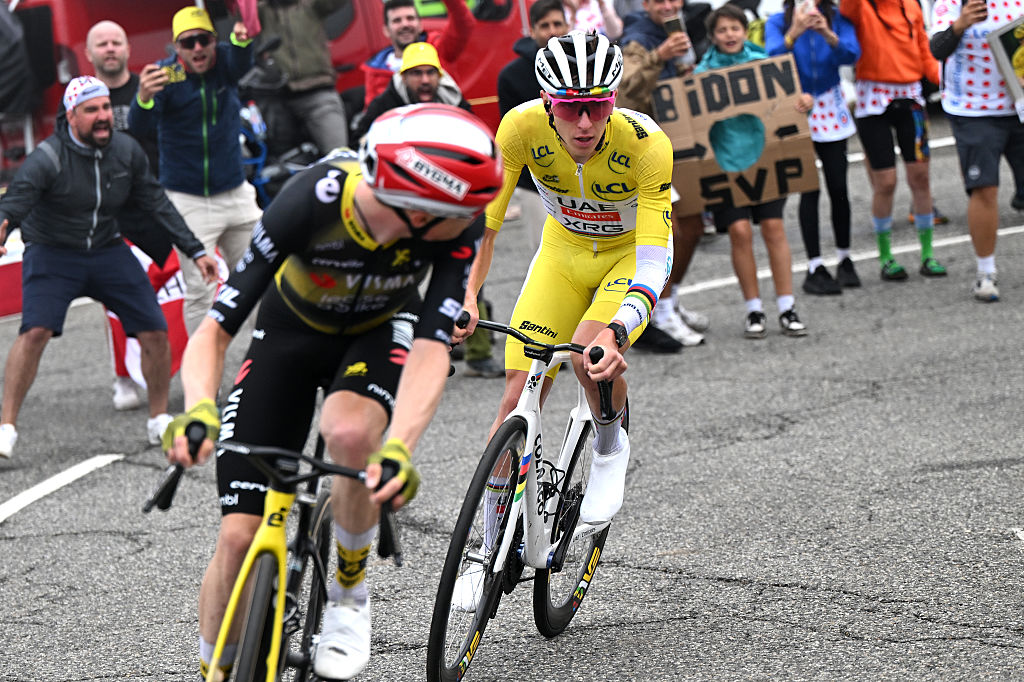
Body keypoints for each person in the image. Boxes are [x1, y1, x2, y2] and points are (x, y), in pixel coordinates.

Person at [160, 103, 502, 681]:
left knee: (349, 433)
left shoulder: (453, 226)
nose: (476, 219)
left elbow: (430, 347)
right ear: (414, 208)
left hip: (376, 332)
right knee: (239, 536)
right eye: (463, 210)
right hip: (289, 335)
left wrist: (399, 447)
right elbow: (216, 329)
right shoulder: (311, 199)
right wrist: (198, 406)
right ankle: (215, 669)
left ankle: (349, 593)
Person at [454, 32, 673, 542]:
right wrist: (463, 296)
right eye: (571, 108)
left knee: (584, 354)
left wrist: (618, 331)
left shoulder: (646, 144)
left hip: (626, 258)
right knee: (513, 401)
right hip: (562, 252)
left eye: (598, 107)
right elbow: (483, 228)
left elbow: (654, 257)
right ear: (547, 103)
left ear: (613, 101)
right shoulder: (520, 127)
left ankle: (609, 446)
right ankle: (488, 547)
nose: (584, 122)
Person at [0, 77, 217, 459]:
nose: (103, 117)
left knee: (154, 329)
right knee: (34, 331)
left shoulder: (126, 150)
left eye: (105, 108)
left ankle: (158, 418)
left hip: (106, 248)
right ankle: (6, 428)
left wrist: (195, 250)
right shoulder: (48, 157)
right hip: (53, 252)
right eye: (91, 110)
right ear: (71, 116)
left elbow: (157, 202)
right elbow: (15, 202)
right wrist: (3, 224)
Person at [353, 42, 504, 379]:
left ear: (439, 76)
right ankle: (404, 351)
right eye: (416, 74)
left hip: (450, 202)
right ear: (403, 77)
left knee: (469, 278)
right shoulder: (384, 105)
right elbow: (361, 144)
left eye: (429, 73)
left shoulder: (453, 102)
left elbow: (478, 145)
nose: (424, 80)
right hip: (401, 206)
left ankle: (478, 354)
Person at [129, 6, 262, 334]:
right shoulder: (166, 74)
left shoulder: (225, 62)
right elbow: (139, 125)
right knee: (202, 292)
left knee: (261, 280)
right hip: (187, 199)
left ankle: (269, 367)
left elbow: (243, 62)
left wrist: (242, 40)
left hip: (235, 191)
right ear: (176, 48)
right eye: (188, 43)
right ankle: (203, 385)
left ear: (214, 41)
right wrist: (143, 97)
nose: (198, 49)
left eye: (204, 40)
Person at [695, 5, 812, 339]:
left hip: (766, 158)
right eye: (722, 30)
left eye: (735, 28)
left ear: (745, 32)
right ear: (712, 36)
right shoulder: (702, 74)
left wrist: (804, 101)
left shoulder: (765, 63)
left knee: (775, 227)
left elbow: (791, 101)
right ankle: (754, 310)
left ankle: (788, 307)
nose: (729, 35)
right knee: (740, 232)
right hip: (725, 164)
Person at [82, 19, 180, 412]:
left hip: (156, 204)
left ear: (127, 49)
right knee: (114, 300)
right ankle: (123, 377)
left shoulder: (150, 88)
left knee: (175, 291)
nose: (110, 48)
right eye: (101, 43)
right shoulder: (80, 97)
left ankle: (178, 366)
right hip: (109, 215)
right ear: (89, 54)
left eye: (117, 42)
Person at [617, 0, 713, 348]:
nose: (669, 5)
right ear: (646, 4)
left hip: (679, 144)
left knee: (694, 226)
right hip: (644, 148)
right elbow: (624, 91)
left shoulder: (680, 26)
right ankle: (657, 313)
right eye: (660, 1)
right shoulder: (637, 37)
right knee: (668, 231)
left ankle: (669, 300)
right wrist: (659, 55)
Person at [841, 0, 946, 281]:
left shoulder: (910, 4)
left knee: (921, 177)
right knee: (885, 182)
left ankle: (927, 254)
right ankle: (886, 257)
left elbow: (924, 48)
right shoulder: (859, 5)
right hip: (873, 100)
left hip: (911, 98)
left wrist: (946, 83)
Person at [929, 0, 1024, 301]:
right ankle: (986, 272)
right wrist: (960, 25)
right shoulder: (951, 4)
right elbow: (937, 49)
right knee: (985, 190)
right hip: (974, 111)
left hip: (1018, 103)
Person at [765, 0, 862, 295]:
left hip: (830, 105)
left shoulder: (837, 18)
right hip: (797, 105)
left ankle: (845, 258)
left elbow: (852, 54)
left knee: (839, 186)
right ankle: (814, 264)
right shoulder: (778, 21)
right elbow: (770, 59)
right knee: (809, 189)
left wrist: (827, 34)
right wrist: (793, 32)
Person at [496, 0, 570, 249]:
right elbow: (514, 139)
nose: (552, 31)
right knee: (546, 258)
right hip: (536, 183)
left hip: (587, 175)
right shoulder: (510, 76)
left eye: (558, 23)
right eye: (544, 25)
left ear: (568, 26)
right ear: (532, 31)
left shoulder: (586, 67)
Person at [256, 0, 350, 156]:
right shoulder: (261, 11)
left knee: (339, 156)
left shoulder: (311, 4)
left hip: (318, 93)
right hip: (278, 99)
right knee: (280, 164)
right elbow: (239, 11)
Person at [360, 0, 475, 109]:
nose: (405, 24)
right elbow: (373, 118)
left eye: (410, 18)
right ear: (386, 30)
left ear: (420, 25)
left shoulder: (438, 49)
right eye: (397, 20)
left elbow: (464, 23)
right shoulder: (375, 70)